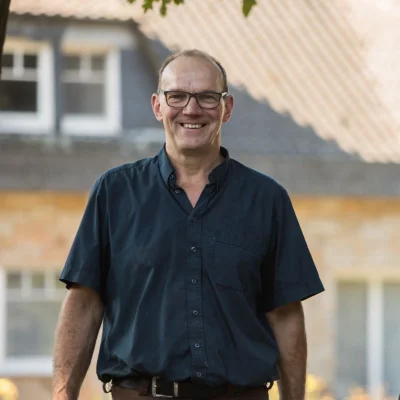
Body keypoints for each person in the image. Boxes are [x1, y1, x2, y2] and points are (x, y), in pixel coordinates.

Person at [52, 49, 324, 400]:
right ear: (157, 106)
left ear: (227, 108)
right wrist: (63, 395)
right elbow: (84, 304)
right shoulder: (114, 192)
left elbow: (285, 316)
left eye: (207, 97)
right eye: (177, 96)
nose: (191, 109)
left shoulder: (267, 199)